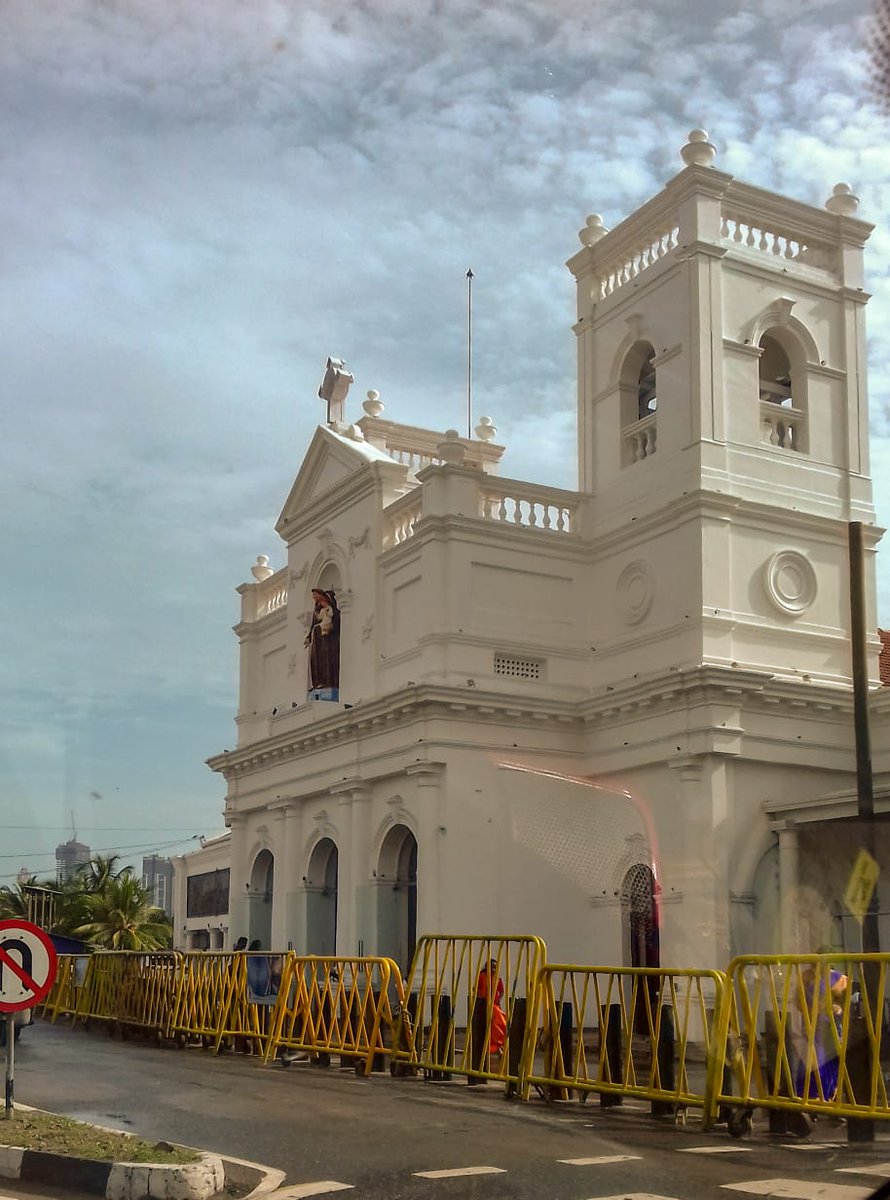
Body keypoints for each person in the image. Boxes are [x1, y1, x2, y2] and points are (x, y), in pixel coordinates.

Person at [795, 966, 849, 1102]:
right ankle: (817, 1097)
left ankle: (821, 1097)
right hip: (818, 1027)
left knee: (822, 1061)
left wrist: (834, 1008)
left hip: (823, 1026)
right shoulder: (811, 977)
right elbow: (798, 1002)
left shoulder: (834, 977)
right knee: (818, 1060)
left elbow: (798, 1002)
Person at [304, 588, 341, 693]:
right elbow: (313, 624)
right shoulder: (317, 609)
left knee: (327, 659)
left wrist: (331, 627)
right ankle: (318, 682)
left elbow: (335, 618)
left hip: (328, 640)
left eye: (315, 595)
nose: (314, 597)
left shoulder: (330, 607)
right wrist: (309, 636)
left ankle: (329, 681)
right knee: (317, 660)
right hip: (317, 641)